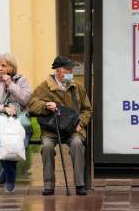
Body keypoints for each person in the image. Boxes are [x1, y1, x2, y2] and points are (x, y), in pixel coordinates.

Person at [29, 55, 92, 196]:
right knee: (47, 147)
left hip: (73, 130)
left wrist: (80, 123)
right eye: (68, 70)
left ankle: (80, 184)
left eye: (72, 70)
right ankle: (49, 185)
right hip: (51, 130)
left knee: (77, 144)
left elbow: (87, 109)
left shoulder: (77, 87)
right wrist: (45, 105)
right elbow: (31, 105)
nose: (71, 73)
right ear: (58, 71)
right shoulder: (44, 86)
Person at [0, 53, 32, 192]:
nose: (0, 68)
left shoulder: (22, 81)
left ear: (11, 67)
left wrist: (10, 84)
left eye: (4, 65)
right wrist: (3, 108)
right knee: (1, 145)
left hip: (19, 123)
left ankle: (4, 173)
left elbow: (26, 100)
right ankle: (10, 179)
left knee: (17, 147)